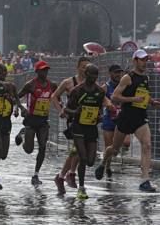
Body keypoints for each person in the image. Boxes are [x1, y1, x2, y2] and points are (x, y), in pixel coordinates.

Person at [95, 50, 160, 192]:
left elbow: (144, 96)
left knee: (147, 145)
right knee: (115, 149)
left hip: (140, 118)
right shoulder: (127, 77)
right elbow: (114, 97)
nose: (145, 62)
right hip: (126, 117)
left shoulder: (146, 78)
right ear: (135, 61)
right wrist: (132, 100)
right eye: (142, 60)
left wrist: (153, 102)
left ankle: (145, 180)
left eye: (146, 60)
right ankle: (103, 162)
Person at [65, 64, 113, 199]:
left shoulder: (99, 91)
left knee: (91, 161)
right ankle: (81, 188)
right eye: (92, 75)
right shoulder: (77, 91)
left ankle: (74, 171)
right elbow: (66, 110)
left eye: (96, 75)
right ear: (86, 74)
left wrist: (100, 117)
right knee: (83, 157)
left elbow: (99, 109)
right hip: (78, 127)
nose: (94, 78)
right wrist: (75, 112)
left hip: (91, 127)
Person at [50, 56, 90, 195]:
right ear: (78, 67)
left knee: (80, 149)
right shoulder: (68, 82)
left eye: (88, 67)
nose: (85, 70)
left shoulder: (92, 83)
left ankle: (62, 176)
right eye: (83, 67)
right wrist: (60, 110)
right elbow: (54, 96)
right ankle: (69, 174)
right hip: (72, 118)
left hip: (87, 119)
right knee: (78, 147)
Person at [17, 60, 57, 186]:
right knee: (29, 150)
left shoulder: (52, 85)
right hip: (31, 119)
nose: (45, 72)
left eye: (46, 70)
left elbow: (57, 98)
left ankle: (36, 174)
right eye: (42, 70)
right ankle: (23, 134)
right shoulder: (31, 85)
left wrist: (62, 108)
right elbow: (17, 96)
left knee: (43, 147)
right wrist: (21, 108)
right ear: (37, 71)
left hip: (43, 120)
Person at [100, 64, 130, 178]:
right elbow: (101, 99)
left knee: (126, 143)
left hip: (122, 119)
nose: (118, 75)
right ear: (110, 73)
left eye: (120, 72)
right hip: (109, 120)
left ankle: (117, 151)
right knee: (109, 145)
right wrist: (107, 104)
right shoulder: (105, 87)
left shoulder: (124, 86)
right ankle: (107, 166)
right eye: (116, 72)